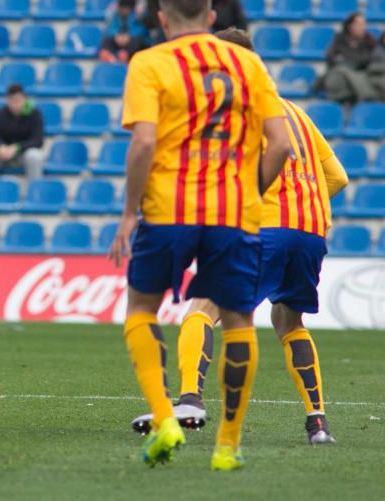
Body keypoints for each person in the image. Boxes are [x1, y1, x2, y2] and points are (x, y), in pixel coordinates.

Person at [130, 26, 348, 447]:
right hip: (310, 232)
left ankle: (190, 399)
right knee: (288, 320)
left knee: (202, 308)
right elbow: (337, 176)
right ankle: (317, 422)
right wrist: (304, 209)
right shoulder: (294, 112)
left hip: (262, 227)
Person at [106, 0, 291, 471]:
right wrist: (249, 192)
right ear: (212, 17)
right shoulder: (247, 63)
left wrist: (129, 214)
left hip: (169, 210)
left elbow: (143, 143)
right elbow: (282, 144)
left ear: (163, 20)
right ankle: (228, 446)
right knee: (236, 321)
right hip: (234, 212)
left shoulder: (149, 62)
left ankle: (166, 418)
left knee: (142, 309)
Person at [0, 84, 44, 182]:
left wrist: (17, 147)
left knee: (35, 156)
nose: (15, 104)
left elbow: (38, 140)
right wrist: (0, 147)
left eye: (18, 100)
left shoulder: (35, 114)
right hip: (3, 154)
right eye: (12, 100)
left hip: (24, 153)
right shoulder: (0, 113)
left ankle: (34, 192)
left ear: (24, 99)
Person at [319, 12, 377, 104]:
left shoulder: (370, 41)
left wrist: (346, 60)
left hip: (361, 75)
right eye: (358, 24)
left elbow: (369, 61)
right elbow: (330, 57)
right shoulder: (339, 38)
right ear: (350, 26)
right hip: (341, 76)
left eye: (363, 24)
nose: (362, 27)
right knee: (338, 73)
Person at [99, 0, 147, 64]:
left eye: (126, 8)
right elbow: (109, 28)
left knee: (137, 41)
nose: (123, 10)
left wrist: (129, 36)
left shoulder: (138, 17)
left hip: (131, 42)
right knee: (107, 38)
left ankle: (126, 56)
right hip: (117, 40)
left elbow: (141, 30)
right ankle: (108, 55)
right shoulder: (115, 16)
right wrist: (116, 35)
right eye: (122, 8)